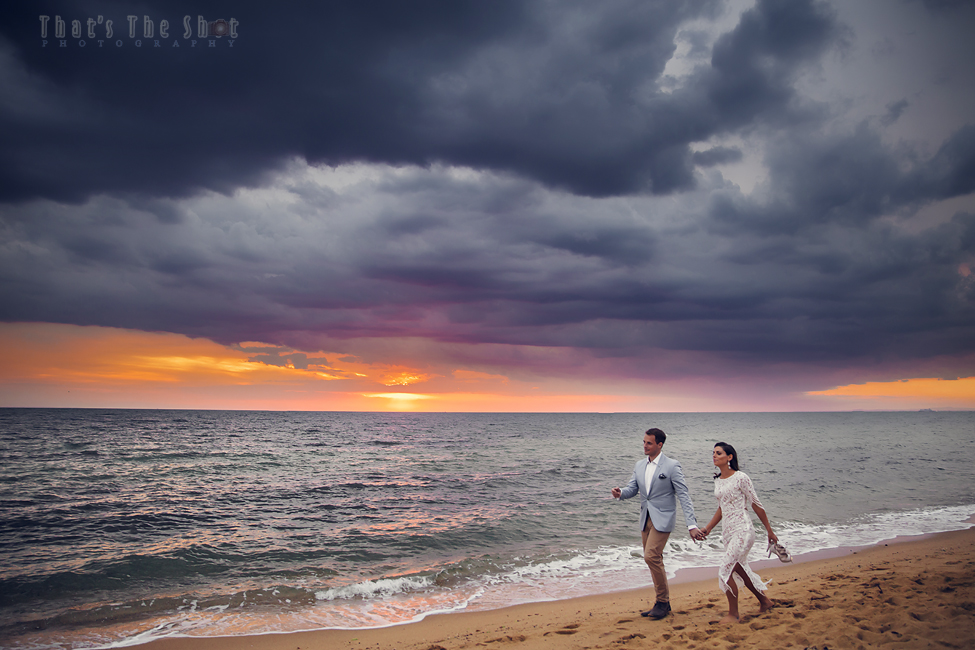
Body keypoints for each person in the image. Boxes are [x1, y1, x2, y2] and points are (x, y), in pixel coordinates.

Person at [611, 428, 705, 620]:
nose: (645, 446)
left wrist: (691, 525)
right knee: (653, 559)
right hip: (645, 518)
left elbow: (684, 495)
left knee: (651, 556)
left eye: (649, 443)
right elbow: (633, 488)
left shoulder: (672, 466)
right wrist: (621, 493)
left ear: (659, 445)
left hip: (663, 518)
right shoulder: (639, 465)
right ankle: (662, 602)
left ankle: (662, 602)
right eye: (644, 442)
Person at [700, 442, 776, 624]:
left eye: (718, 453)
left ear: (729, 457)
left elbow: (756, 504)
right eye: (713, 453)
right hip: (728, 532)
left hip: (743, 529)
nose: (714, 456)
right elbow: (721, 508)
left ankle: (733, 614)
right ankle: (765, 602)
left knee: (725, 569)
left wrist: (769, 531)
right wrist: (708, 528)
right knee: (738, 570)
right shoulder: (718, 480)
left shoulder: (741, 477)